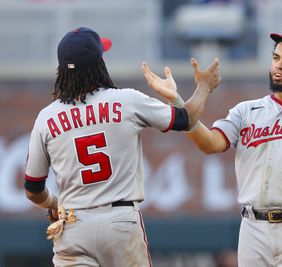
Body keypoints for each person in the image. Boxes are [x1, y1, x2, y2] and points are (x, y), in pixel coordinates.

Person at [143, 24, 282, 267]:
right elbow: (210, 144)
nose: (279, 65)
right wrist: (177, 101)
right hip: (253, 228)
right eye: (276, 57)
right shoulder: (247, 110)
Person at [24, 26, 220, 267]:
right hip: (120, 222)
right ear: (98, 65)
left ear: (61, 70)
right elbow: (185, 119)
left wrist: (54, 204)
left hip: (73, 224)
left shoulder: (47, 117)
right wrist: (204, 87)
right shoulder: (125, 100)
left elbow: (33, 188)